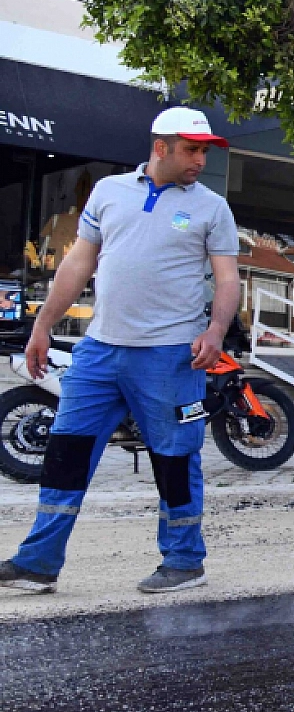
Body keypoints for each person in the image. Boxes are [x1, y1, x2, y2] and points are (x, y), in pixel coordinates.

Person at [0, 108, 240, 594]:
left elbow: (228, 278)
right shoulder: (109, 192)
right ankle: (39, 562)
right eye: (191, 149)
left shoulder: (212, 207)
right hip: (99, 350)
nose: (200, 159)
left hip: (172, 355)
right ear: (160, 148)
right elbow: (77, 264)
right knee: (66, 453)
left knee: (175, 458)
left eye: (204, 151)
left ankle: (184, 561)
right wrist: (42, 326)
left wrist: (216, 329)